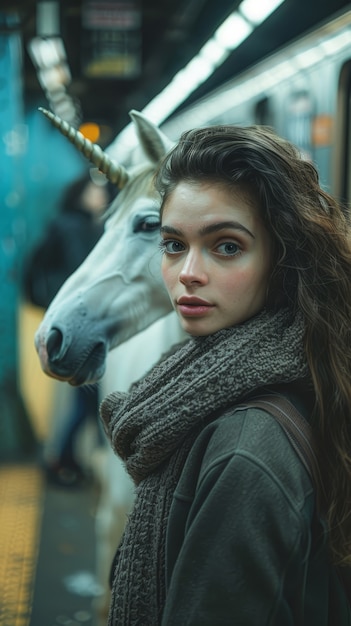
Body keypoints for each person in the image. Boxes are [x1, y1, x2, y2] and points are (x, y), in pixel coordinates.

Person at [100, 124, 351, 625]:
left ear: (284, 259)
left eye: (227, 246)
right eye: (173, 245)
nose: (188, 272)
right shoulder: (314, 369)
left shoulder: (245, 447)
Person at [24, 171, 114, 486]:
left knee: (87, 397)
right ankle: (61, 460)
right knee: (86, 398)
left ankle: (71, 459)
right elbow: (39, 265)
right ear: (80, 195)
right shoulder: (68, 226)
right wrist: (50, 300)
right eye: (95, 191)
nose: (101, 197)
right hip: (76, 319)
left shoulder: (97, 226)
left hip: (87, 319)